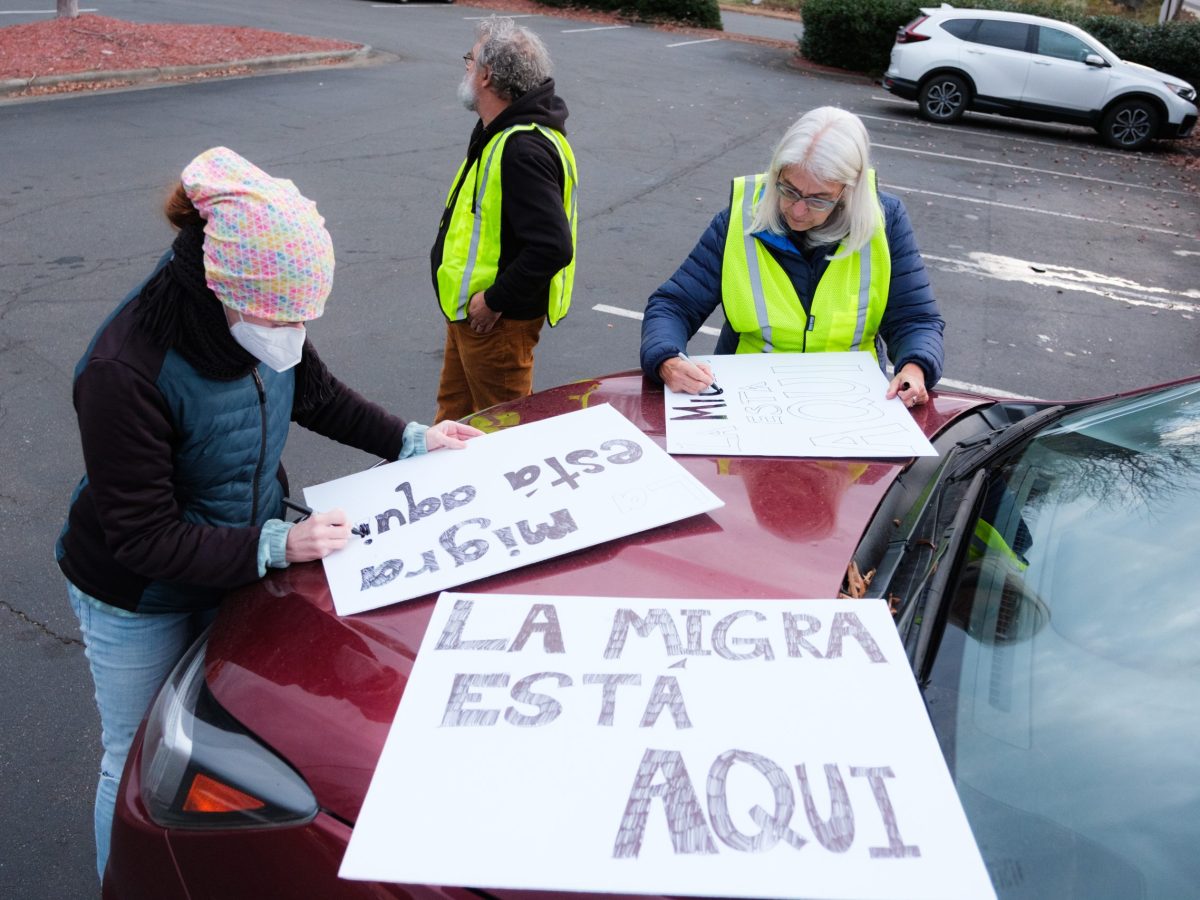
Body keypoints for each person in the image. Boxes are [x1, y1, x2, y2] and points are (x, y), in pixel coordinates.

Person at [56, 146, 482, 883]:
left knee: (221, 750)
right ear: (222, 288)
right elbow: (141, 535)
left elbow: (315, 393)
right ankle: (120, 883)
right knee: (134, 757)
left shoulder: (256, 311)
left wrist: (413, 439)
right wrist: (276, 544)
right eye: (280, 316)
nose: (291, 333)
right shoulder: (122, 371)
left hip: (237, 554)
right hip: (136, 594)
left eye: (303, 318)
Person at [640, 106, 944, 408]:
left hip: (850, 403)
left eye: (818, 199)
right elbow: (674, 305)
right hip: (749, 400)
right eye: (789, 190)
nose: (798, 210)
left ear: (849, 191)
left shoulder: (884, 222)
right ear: (776, 173)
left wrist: (915, 368)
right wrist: (667, 358)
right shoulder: (739, 219)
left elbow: (915, 319)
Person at [431, 15, 578, 423]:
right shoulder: (498, 131)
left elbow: (552, 246)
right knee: (453, 423)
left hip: (494, 325)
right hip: (469, 317)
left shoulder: (521, 149)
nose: (465, 66)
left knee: (505, 434)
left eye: (470, 59)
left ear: (488, 75)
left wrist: (492, 301)